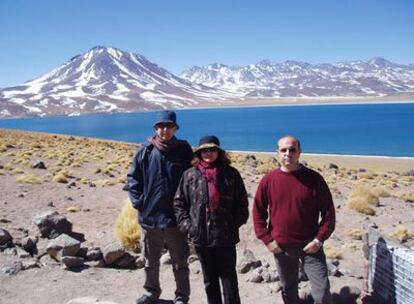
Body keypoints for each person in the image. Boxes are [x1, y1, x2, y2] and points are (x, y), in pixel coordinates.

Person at [253, 135, 336, 304]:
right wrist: (268, 240)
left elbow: (328, 214)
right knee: (289, 290)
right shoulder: (268, 180)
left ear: (300, 152)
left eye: (292, 149)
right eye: (283, 150)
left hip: (310, 246)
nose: (288, 153)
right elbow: (258, 212)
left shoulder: (314, 179)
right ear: (277, 152)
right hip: (281, 247)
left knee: (322, 293)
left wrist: (319, 240)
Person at [128, 110, 193, 304]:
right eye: (161, 126)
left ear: (175, 128)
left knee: (180, 261)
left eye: (169, 126)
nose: (165, 130)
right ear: (156, 128)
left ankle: (182, 296)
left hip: (176, 217)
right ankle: (151, 291)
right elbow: (133, 178)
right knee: (150, 259)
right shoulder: (146, 150)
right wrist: (139, 202)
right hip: (150, 216)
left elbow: (193, 178)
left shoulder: (183, 150)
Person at [174, 135, 249, 304]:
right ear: (199, 153)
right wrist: (189, 227)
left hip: (226, 238)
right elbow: (179, 203)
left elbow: (242, 203)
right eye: (204, 150)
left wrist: (233, 224)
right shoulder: (189, 175)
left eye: (212, 149)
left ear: (219, 152)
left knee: (229, 280)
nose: (208, 153)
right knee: (209, 281)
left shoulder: (231, 174)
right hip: (201, 238)